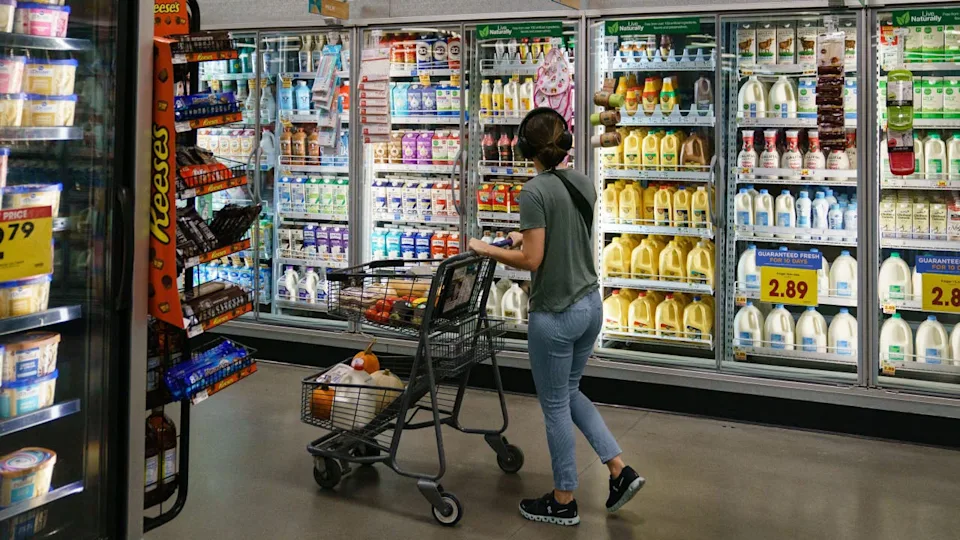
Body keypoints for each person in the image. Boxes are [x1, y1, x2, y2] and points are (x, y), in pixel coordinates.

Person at [468, 108, 644, 526]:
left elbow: (533, 258)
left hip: (556, 314)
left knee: (554, 406)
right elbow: (560, 228)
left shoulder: (533, 191)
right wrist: (519, 233)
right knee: (569, 391)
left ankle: (564, 499)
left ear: (525, 148)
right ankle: (620, 470)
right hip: (590, 306)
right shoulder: (581, 181)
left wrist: (485, 247)